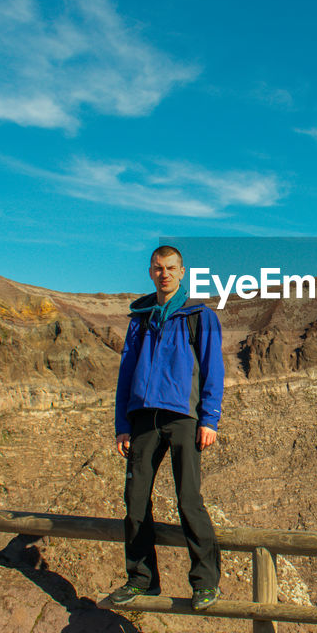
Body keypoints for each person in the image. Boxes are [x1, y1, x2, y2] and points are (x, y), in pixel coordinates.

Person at [109, 245, 224, 610]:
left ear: (182, 271)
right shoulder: (140, 319)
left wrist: (209, 419)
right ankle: (142, 579)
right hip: (143, 418)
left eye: (171, 268)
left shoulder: (198, 316)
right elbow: (126, 373)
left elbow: (213, 369)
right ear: (150, 272)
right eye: (159, 268)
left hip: (182, 418)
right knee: (135, 501)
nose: (165, 274)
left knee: (189, 500)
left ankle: (205, 582)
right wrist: (122, 424)